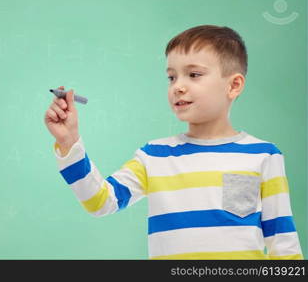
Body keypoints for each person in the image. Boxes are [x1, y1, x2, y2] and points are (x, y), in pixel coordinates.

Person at [43, 25, 304, 259]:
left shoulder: (263, 156)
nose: (178, 86)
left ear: (233, 86)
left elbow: (284, 245)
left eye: (194, 74)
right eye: (172, 77)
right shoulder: (154, 156)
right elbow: (101, 202)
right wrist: (69, 142)